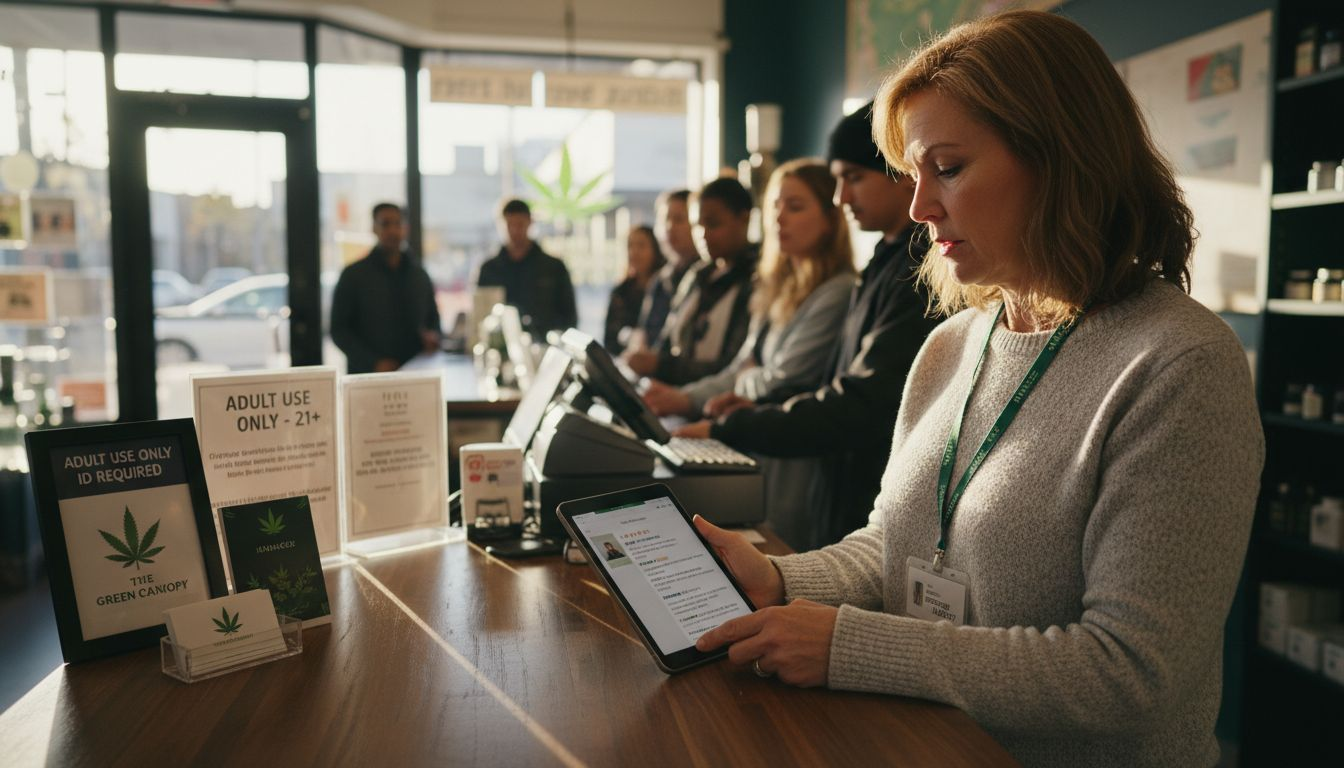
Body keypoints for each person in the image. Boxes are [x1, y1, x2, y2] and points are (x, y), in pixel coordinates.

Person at [691, 11, 1263, 768]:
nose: (921, 207)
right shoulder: (952, 345)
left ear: (1062, 161)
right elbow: (896, 548)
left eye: (948, 169)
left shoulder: (1180, 364)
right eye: (914, 174)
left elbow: (1130, 673)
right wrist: (778, 578)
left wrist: (853, 646)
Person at [673, 101, 940, 550]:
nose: (842, 198)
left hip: (867, 498)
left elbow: (859, 403)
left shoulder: (916, 273)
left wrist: (733, 425)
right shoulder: (884, 262)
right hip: (842, 491)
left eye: (853, 178)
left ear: (902, 173)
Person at [643, 160, 857, 549]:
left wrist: (749, 376)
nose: (779, 219)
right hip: (758, 447)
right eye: (775, 207)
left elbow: (784, 376)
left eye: (795, 207)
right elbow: (742, 366)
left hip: (795, 459)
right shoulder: (778, 285)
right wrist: (690, 396)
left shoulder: (838, 291)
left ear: (831, 215)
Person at [625, 178, 757, 385]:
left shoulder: (755, 279)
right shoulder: (697, 275)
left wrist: (660, 366)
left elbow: (734, 366)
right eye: (697, 225)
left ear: (743, 220)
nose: (703, 234)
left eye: (713, 224)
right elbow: (667, 343)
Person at [330, 203, 441, 374]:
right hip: (367, 378)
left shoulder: (419, 274)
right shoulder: (353, 275)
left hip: (415, 374)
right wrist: (373, 363)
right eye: (385, 224)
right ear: (374, 228)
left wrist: (433, 337)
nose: (393, 231)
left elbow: (433, 319)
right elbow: (339, 330)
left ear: (406, 228)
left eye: (398, 224)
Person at [477, 199, 578, 340]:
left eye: (520, 224)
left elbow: (569, 317)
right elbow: (480, 316)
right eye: (510, 225)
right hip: (500, 348)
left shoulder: (553, 268)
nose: (515, 231)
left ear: (530, 222)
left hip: (545, 348)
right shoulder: (490, 270)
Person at [633, 189, 701, 349]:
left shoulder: (705, 278)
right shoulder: (660, 279)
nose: (670, 227)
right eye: (665, 220)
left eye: (679, 219)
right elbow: (644, 334)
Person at [603, 225, 666, 353]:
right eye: (630, 246)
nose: (634, 252)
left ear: (655, 249)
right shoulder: (621, 291)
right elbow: (609, 339)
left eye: (641, 246)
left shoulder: (665, 288)